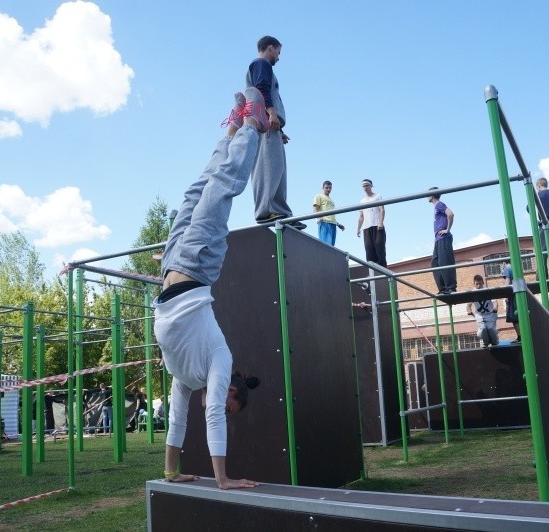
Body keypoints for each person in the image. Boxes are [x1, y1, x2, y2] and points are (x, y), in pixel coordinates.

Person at [154, 87, 266, 489]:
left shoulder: (187, 378)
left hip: (171, 267)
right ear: (232, 390)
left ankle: (231, 128)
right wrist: (223, 479)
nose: (222, 406)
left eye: (227, 407)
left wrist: (171, 472)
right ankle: (253, 124)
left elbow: (177, 417)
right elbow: (213, 414)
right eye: (232, 404)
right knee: (221, 187)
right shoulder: (219, 360)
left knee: (195, 191)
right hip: (198, 265)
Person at [246, 36, 305, 230]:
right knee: (267, 168)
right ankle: (265, 211)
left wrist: (279, 128)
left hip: (273, 126)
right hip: (264, 123)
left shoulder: (265, 66)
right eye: (278, 52)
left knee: (278, 170)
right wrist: (271, 113)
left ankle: (281, 212)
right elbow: (262, 88)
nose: (278, 57)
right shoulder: (261, 64)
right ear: (270, 48)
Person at [428, 188, 456, 295]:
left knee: (445, 262)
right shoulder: (436, 206)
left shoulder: (439, 204)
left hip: (444, 237)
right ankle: (443, 288)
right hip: (438, 239)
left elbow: (451, 214)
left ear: (432, 195)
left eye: (428, 194)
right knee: (435, 262)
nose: (427, 196)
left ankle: (451, 288)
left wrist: (447, 229)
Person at [357, 179, 387, 266]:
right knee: (369, 250)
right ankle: (372, 273)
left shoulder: (377, 196)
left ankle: (383, 271)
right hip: (366, 228)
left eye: (367, 185)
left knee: (380, 249)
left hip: (377, 225)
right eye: (364, 186)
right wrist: (358, 228)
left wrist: (381, 222)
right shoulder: (362, 201)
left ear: (371, 186)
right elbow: (361, 216)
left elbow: (382, 209)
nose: (365, 187)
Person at [465, 275, 499, 348]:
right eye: (477, 284)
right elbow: (468, 305)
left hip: (490, 314)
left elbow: (495, 302)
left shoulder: (488, 291)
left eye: (480, 283)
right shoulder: (472, 293)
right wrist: (469, 310)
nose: (479, 285)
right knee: (483, 329)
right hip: (480, 315)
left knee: (490, 329)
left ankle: (495, 342)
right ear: (474, 284)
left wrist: (495, 308)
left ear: (483, 283)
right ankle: (485, 342)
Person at [312, 181, 344, 245]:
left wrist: (338, 224)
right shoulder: (319, 196)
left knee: (332, 246)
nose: (328, 189)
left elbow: (331, 215)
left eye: (330, 188)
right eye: (326, 188)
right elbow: (315, 209)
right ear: (323, 188)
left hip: (333, 224)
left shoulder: (331, 201)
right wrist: (318, 218)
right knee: (326, 245)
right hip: (325, 222)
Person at [501, 260, 521, 342]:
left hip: (512, 295)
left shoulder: (507, 268)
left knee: (514, 317)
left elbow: (507, 280)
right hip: (517, 294)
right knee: (517, 317)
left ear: (503, 263)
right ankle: (521, 336)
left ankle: (520, 336)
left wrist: (505, 295)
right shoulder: (515, 268)